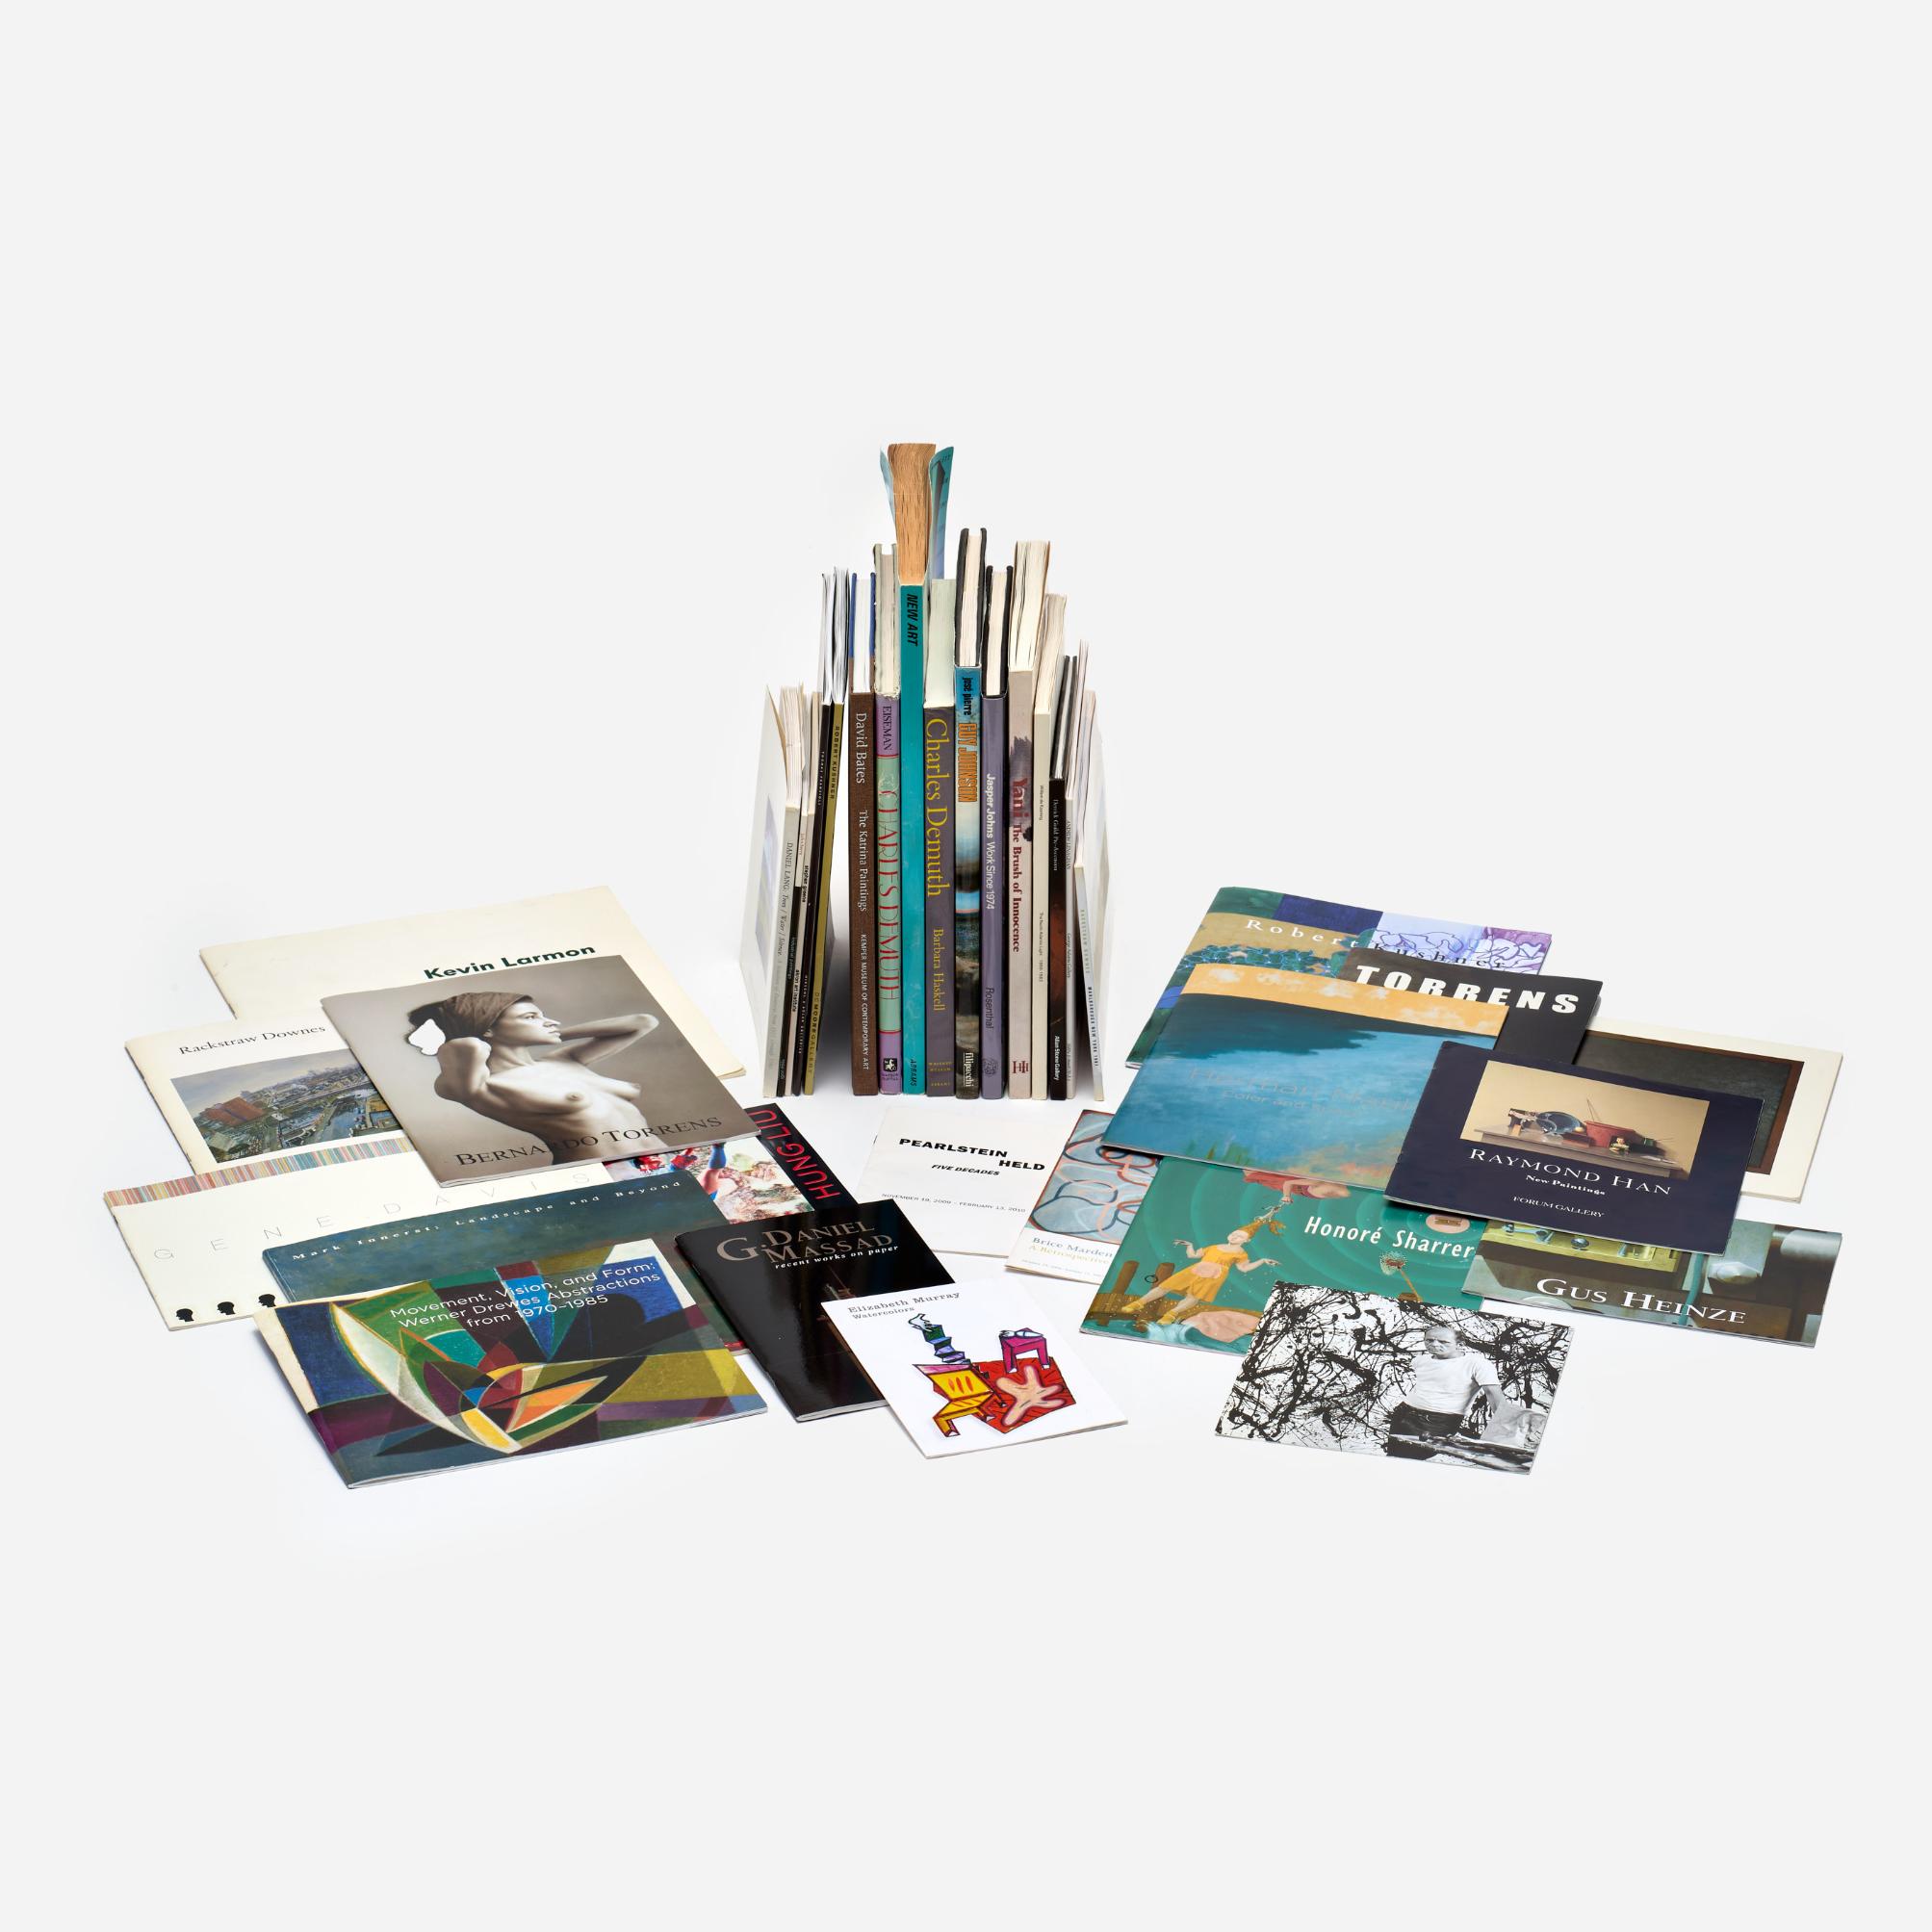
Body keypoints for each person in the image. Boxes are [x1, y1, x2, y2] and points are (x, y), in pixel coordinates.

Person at [406, 989, 662, 1164]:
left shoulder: (563, 1060)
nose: (552, 1021)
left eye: (542, 1016)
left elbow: (643, 1022)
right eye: (530, 1017)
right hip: (608, 1174)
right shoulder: (480, 1086)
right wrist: (467, 1027)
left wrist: (552, 1034)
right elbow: (467, 1046)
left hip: (668, 1158)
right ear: (487, 1031)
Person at [1383, 1324, 1508, 1458]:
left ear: (1459, 1344)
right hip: (1403, 1413)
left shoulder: (1478, 1364)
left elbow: (1493, 1394)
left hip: (1437, 1421)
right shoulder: (1420, 1360)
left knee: (1412, 1458)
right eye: (1429, 1340)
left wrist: (1506, 1431)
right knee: (1393, 1456)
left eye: (1443, 1342)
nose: (1434, 1344)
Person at [1121, 1224, 1281, 1327]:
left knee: (1193, 1296)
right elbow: (1193, 1255)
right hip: (1195, 1269)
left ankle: (1172, 1314)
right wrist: (1189, 1245)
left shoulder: (1241, 1253)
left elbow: (1244, 1269)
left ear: (1247, 1240)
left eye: (1240, 1236)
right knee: (1165, 1286)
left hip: (1214, 1276)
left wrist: (1262, 1261)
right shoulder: (1214, 1246)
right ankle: (1139, 1303)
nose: (1234, 1237)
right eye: (1234, 1233)